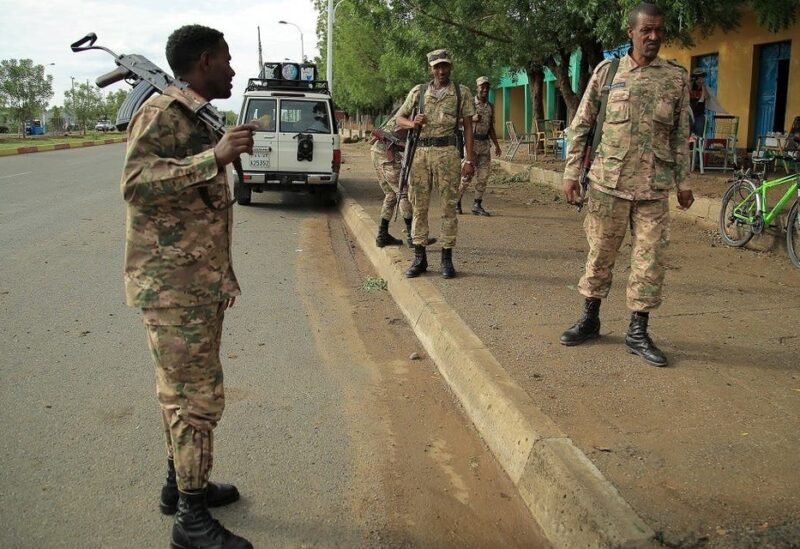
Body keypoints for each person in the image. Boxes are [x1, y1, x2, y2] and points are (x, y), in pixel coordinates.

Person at [120, 24, 255, 549]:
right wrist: (213, 159)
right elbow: (134, 184)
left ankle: (180, 486)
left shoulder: (197, 115)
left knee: (182, 397)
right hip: (172, 286)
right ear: (203, 61)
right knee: (195, 400)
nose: (232, 67)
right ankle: (190, 522)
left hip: (196, 282)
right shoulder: (161, 112)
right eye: (226, 59)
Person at [560, 2, 694, 367]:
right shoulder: (607, 73)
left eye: (658, 31)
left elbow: (681, 136)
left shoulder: (675, 78)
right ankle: (590, 319)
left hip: (654, 188)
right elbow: (582, 124)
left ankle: (638, 330)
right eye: (646, 30)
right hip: (608, 184)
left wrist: (684, 182)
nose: (653, 37)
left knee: (650, 262)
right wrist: (572, 173)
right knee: (600, 254)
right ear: (631, 33)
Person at [396, 49, 475, 278]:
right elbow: (400, 118)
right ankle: (420, 259)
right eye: (437, 67)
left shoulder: (462, 92)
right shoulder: (418, 92)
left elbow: (468, 127)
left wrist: (469, 159)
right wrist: (412, 123)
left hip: (448, 153)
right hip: (420, 153)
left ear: (450, 67)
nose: (441, 71)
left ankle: (446, 259)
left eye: (445, 66)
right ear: (431, 69)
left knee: (449, 207)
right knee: (419, 206)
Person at [458, 76, 501, 216]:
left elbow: (491, 128)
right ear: (477, 87)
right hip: (471, 145)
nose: (485, 89)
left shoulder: (490, 106)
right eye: (482, 86)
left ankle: (477, 204)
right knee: (466, 176)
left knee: (483, 177)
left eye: (487, 87)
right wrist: (472, 119)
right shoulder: (469, 104)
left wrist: (497, 145)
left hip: (484, 145)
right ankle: (456, 202)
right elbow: (456, 121)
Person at [369, 113, 414, 247]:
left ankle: (382, 235)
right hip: (386, 153)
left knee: (391, 195)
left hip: (377, 152)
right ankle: (412, 236)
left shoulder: (406, 111)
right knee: (402, 192)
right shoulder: (412, 113)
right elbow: (400, 130)